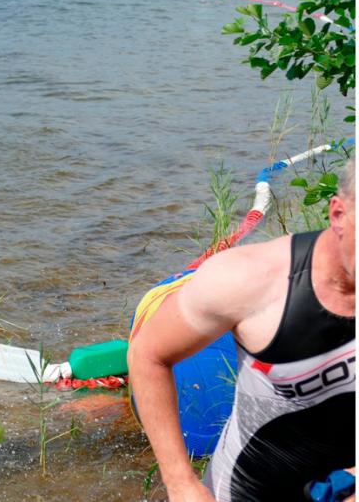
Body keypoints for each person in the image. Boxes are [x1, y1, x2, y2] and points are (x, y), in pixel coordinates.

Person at [128, 159, 355, 502]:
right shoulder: (250, 279)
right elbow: (147, 355)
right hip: (244, 491)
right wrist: (180, 483)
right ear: (338, 214)